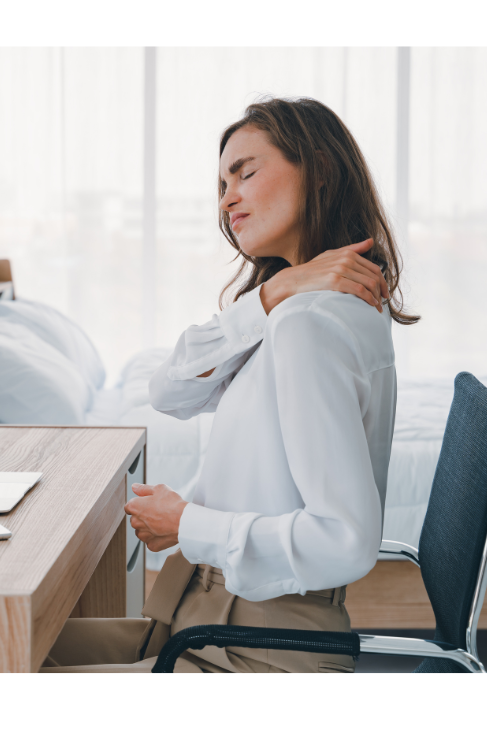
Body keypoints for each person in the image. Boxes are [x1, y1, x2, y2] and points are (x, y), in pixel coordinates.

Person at [41, 96, 418, 673]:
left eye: (246, 172)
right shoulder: (290, 310)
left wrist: (187, 523)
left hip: (258, 649)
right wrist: (274, 290)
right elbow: (170, 391)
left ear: (318, 170)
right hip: (204, 618)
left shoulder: (309, 324)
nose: (227, 199)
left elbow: (346, 540)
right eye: (221, 184)